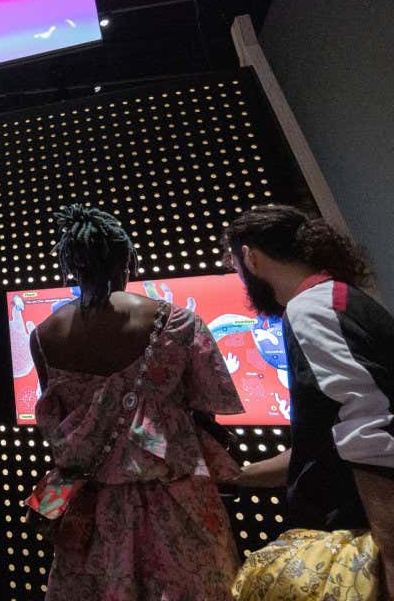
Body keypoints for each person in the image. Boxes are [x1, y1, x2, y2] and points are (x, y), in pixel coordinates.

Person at [223, 205, 394, 598]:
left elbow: (377, 441)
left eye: (234, 266)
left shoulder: (311, 309)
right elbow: (335, 441)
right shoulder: (338, 301)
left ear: (250, 257)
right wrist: (239, 477)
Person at [27, 205, 243, 601]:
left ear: (73, 266)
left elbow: (56, 421)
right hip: (175, 500)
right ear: (126, 257)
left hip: (88, 510)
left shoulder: (43, 336)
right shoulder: (177, 322)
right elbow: (206, 408)